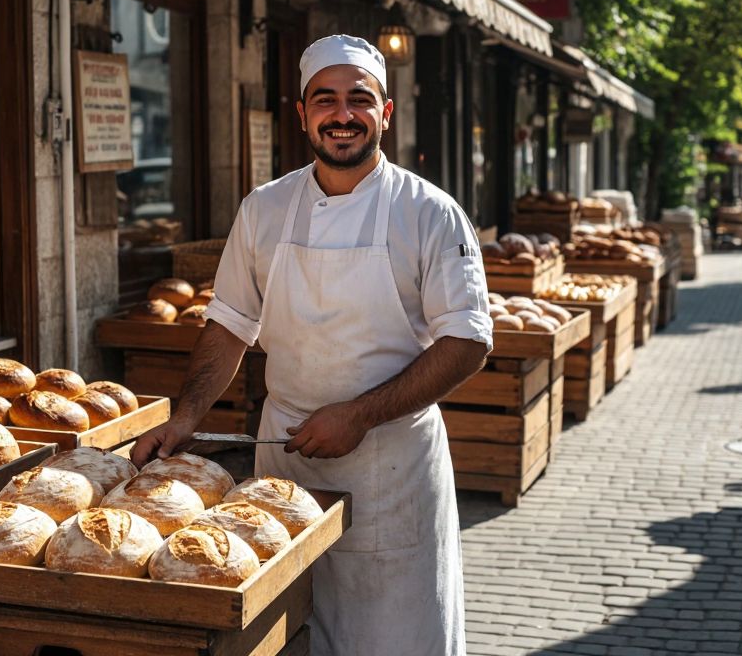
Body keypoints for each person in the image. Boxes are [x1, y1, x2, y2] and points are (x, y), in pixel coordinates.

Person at [132, 34, 489, 656]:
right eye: (325, 99)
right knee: (290, 630)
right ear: (302, 113)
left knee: (395, 637)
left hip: (393, 465)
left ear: (386, 112)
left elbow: (467, 341)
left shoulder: (430, 214)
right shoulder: (264, 209)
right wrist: (186, 415)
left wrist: (361, 414)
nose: (342, 114)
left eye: (359, 99)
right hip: (288, 462)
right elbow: (229, 322)